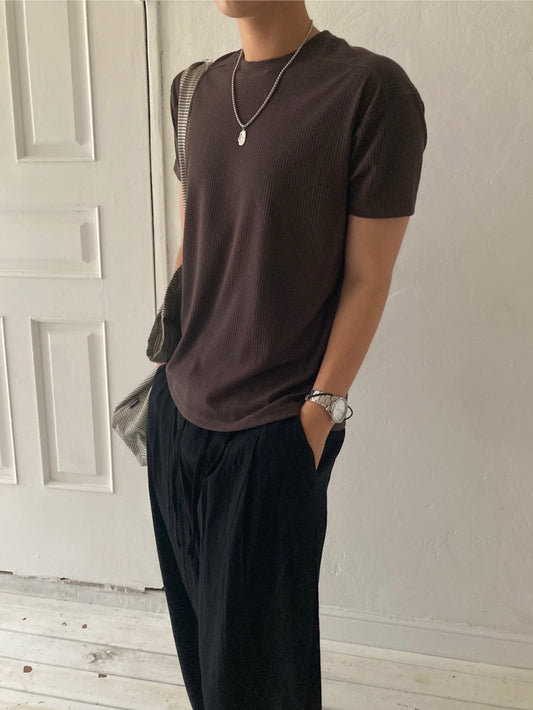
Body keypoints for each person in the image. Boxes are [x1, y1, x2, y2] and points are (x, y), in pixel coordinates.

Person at [147, 2, 427, 709]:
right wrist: (171, 371)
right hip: (177, 414)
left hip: (271, 434)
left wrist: (317, 415)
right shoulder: (192, 90)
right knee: (204, 666)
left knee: (262, 682)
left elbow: (368, 277)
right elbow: (194, 243)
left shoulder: (370, 92)